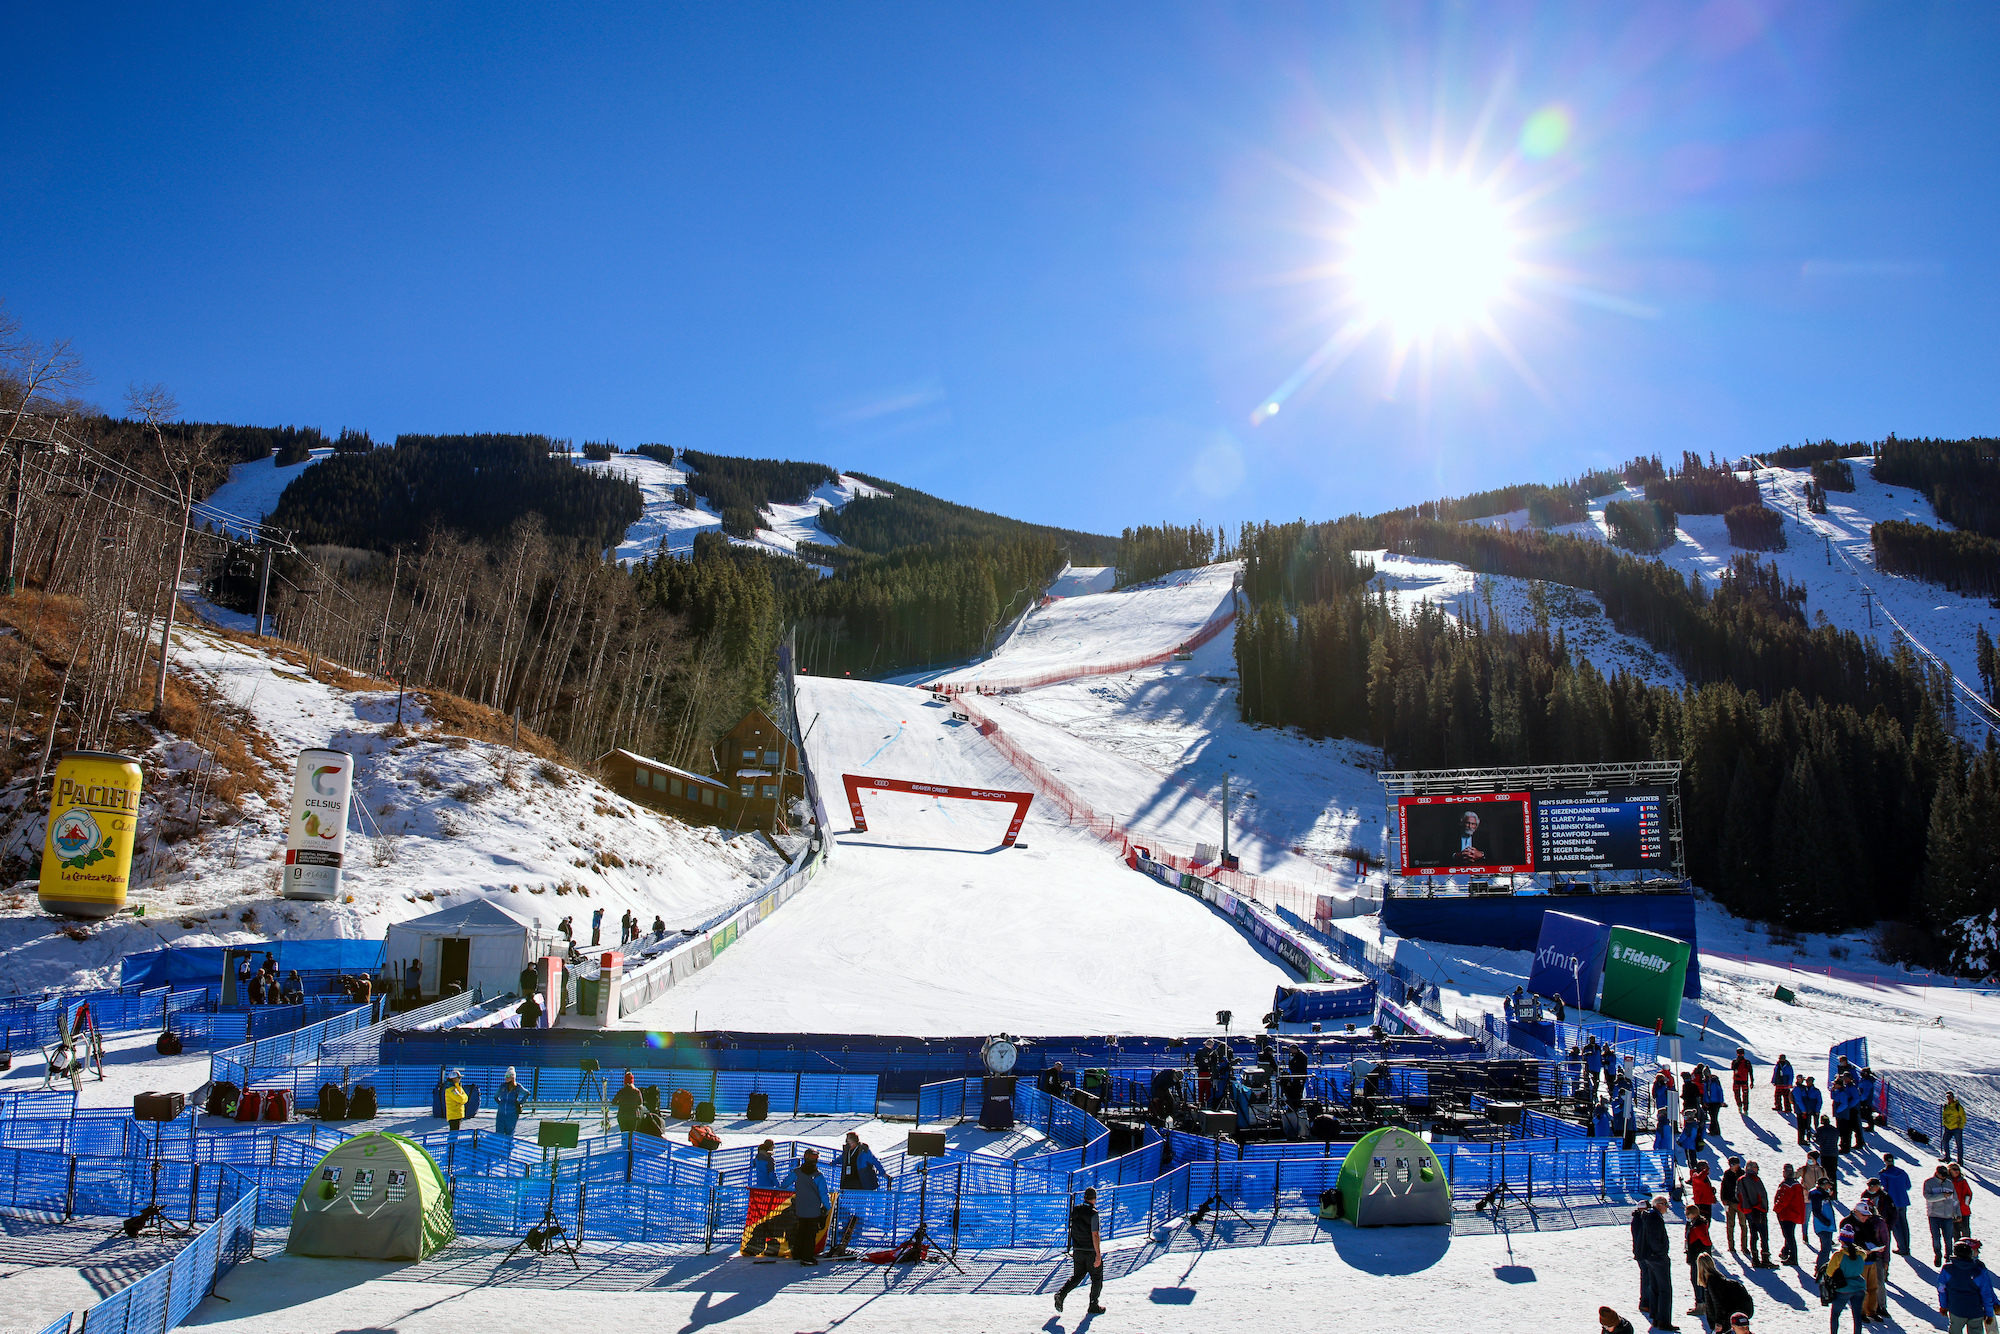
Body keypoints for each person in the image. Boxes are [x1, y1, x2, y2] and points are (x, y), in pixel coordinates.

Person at [1054, 1186, 1106, 1315]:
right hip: (1089, 1251)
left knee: (1078, 1276)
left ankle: (1061, 1294)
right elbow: (1095, 1234)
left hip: (1077, 1250)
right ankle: (1093, 1305)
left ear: (1084, 1198)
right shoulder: (1094, 1214)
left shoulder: (1075, 1211)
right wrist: (1098, 1255)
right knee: (1096, 1277)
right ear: (1094, 1199)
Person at [1630, 1194, 1678, 1330]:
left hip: (1650, 1257)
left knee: (1655, 1288)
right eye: (1665, 1205)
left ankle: (1656, 1318)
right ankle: (1663, 1320)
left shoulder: (1648, 1217)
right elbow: (1655, 1239)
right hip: (1657, 1258)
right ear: (1659, 1204)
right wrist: (1661, 1253)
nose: (1667, 1209)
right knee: (1664, 1289)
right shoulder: (1655, 1219)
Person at [1938, 1237, 1999, 1334]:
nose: (1978, 1253)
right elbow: (1987, 1292)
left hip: (1956, 1310)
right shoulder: (1978, 1270)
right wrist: (1989, 1312)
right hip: (1976, 1311)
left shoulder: (1947, 1269)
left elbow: (1942, 1290)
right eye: (1975, 1250)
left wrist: (1943, 1306)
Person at [785, 1149, 830, 1265]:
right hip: (814, 1210)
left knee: (801, 1231)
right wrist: (827, 1207)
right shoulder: (818, 1176)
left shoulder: (797, 1173)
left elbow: (784, 1184)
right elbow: (824, 1194)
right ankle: (807, 1258)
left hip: (800, 1209)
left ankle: (797, 1253)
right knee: (810, 1234)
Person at [1849, 1198, 1890, 1322]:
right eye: (1863, 1215)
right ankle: (1860, 1312)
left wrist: (1878, 1247)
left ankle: (1872, 1311)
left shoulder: (1869, 1223)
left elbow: (1875, 1238)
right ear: (1856, 1212)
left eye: (1867, 1215)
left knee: (1873, 1287)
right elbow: (1848, 1242)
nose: (1866, 1217)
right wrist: (1862, 1250)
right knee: (1862, 1288)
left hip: (1872, 1259)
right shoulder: (1848, 1223)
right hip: (1859, 1260)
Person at [1823, 1231, 1868, 1334]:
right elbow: (1863, 1254)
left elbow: (1829, 1273)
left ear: (1841, 1241)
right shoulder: (1861, 1254)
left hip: (1843, 1288)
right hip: (1859, 1287)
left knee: (1835, 1314)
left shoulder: (1838, 1255)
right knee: (1857, 1316)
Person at [1738, 1161, 1772, 1267]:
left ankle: (1755, 1259)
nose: (1757, 1169)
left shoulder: (1740, 1180)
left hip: (1748, 1211)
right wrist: (1764, 1208)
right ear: (1750, 1168)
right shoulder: (1755, 1179)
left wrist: (1744, 1207)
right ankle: (1765, 1258)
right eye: (1756, 1167)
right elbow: (1762, 1195)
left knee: (1753, 1235)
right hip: (1758, 1211)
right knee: (1763, 1235)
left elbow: (1738, 1195)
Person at [1928, 1161, 1963, 1264]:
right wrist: (1943, 1196)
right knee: (1936, 1237)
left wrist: (1958, 1213)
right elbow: (1928, 1197)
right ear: (1937, 1173)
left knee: (1948, 1238)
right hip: (1934, 1215)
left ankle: (1948, 1256)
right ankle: (1937, 1254)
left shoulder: (1949, 1183)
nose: (1944, 1178)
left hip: (1947, 1215)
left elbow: (1955, 1200)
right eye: (1942, 1175)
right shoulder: (1929, 1183)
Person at [1878, 1153, 1913, 1256]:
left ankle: (1902, 1248)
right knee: (1904, 1224)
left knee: (1896, 1225)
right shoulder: (1902, 1172)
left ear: (1885, 1161)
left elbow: (1884, 1188)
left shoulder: (1884, 1174)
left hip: (1892, 1201)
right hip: (1903, 1200)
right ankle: (1906, 1247)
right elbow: (1908, 1186)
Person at [1685, 1205, 1714, 1317]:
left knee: (1698, 1280)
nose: (1686, 1216)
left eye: (1688, 1213)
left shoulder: (1698, 1225)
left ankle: (1701, 1304)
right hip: (1694, 1255)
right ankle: (1701, 1303)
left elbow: (1706, 1241)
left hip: (1698, 1257)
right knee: (1696, 1279)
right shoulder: (1693, 1223)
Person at [1774, 1163, 1805, 1266]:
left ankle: (1793, 1258)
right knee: (1789, 1235)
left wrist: (1776, 1209)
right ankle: (1786, 1252)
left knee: (1789, 1236)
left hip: (1787, 1214)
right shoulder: (1797, 1185)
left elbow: (1783, 1200)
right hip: (1795, 1214)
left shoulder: (1787, 1186)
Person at [1809, 1177, 1840, 1269]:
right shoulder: (1817, 1196)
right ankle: (1821, 1267)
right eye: (1828, 1185)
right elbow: (1816, 1211)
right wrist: (1825, 1222)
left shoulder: (1823, 1195)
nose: (1830, 1186)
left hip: (1826, 1226)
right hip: (1823, 1226)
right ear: (1824, 1185)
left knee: (1827, 1248)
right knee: (1826, 1249)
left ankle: (1823, 1266)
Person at [1719, 1158, 1744, 1253]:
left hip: (1740, 1203)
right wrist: (1723, 1199)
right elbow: (1723, 1187)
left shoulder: (1743, 1174)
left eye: (1733, 1165)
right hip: (1729, 1202)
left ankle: (1744, 1246)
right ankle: (1731, 1246)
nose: (1731, 1167)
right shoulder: (1727, 1174)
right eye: (1730, 1165)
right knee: (1730, 1224)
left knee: (1743, 1225)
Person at [1794, 1076, 1824, 1147]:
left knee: (1815, 1124)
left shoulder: (1812, 1090)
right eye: (1807, 1081)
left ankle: (1816, 1137)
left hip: (1810, 1110)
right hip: (1806, 1111)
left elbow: (1819, 1101)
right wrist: (1804, 1110)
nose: (1808, 1083)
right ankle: (1805, 1138)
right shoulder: (1802, 1089)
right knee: (1805, 1125)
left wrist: (1817, 1110)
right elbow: (1799, 1100)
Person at [494, 1068, 522, 1137]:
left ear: (512, 1077)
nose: (506, 1078)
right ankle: (499, 1147)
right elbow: (496, 1096)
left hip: (512, 1114)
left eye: (508, 1076)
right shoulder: (502, 1086)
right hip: (501, 1113)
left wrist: (519, 1103)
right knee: (499, 1132)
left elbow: (527, 1093)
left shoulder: (517, 1087)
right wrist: (501, 1104)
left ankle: (509, 1147)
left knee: (509, 1132)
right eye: (505, 1076)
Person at [1950, 1161, 1974, 1240]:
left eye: (1958, 1169)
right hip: (1952, 1210)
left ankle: (1967, 1248)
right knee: (1955, 1231)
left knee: (1966, 1230)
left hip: (1964, 1210)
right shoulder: (1947, 1182)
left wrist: (1966, 1202)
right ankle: (1958, 1249)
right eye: (1954, 1169)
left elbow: (1969, 1193)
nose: (1956, 1171)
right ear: (1949, 1170)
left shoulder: (1963, 1181)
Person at [1943, 1093, 1968, 1165]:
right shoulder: (1946, 1106)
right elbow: (1944, 1115)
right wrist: (1944, 1123)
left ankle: (1960, 1161)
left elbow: (1963, 1117)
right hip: (1948, 1127)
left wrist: (1960, 1126)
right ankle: (1947, 1157)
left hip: (1956, 1128)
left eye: (1950, 1096)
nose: (1949, 1098)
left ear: (1953, 1097)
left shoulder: (1958, 1106)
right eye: (1947, 1097)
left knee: (1959, 1145)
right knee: (1945, 1141)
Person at [1816, 1119, 1842, 1188]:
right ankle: (1834, 1191)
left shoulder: (1820, 1130)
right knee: (1833, 1173)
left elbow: (1819, 1141)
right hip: (1834, 1153)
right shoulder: (1835, 1130)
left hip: (1825, 1153)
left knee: (1826, 1173)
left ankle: (1826, 1190)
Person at [1730, 1049, 1754, 1117]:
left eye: (1741, 1054)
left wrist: (1752, 1081)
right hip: (1737, 1081)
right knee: (1737, 1095)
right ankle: (1739, 1105)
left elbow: (1751, 1072)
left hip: (1744, 1081)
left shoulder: (1747, 1062)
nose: (1740, 1055)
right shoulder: (1734, 1061)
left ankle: (1745, 1110)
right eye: (1739, 1054)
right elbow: (1733, 1068)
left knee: (1745, 1096)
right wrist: (1737, 1062)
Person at [1705, 1068, 1726, 1137]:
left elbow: (1720, 1092)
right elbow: (1705, 1093)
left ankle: (1713, 1131)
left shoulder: (1715, 1082)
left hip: (1716, 1102)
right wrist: (1705, 1101)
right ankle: (1716, 1131)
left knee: (1714, 1116)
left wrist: (1721, 1101)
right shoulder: (1707, 1082)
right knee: (1712, 1116)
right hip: (1710, 1102)